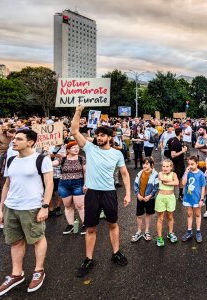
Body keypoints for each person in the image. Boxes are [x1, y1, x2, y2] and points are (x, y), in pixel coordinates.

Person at [0, 129, 54, 297]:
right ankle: (16, 274)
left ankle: (38, 270)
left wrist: (45, 206)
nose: (14, 141)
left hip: (32, 207)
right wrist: (1, 208)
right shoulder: (11, 159)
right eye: (14, 138)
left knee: (37, 238)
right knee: (15, 241)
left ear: (30, 142)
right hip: (11, 207)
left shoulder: (42, 159)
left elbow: (49, 184)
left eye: (18, 139)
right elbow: (7, 185)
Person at [70, 105, 131, 278]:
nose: (98, 137)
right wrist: (78, 111)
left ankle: (116, 252)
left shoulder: (117, 154)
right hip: (92, 193)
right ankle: (89, 259)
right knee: (90, 228)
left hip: (109, 193)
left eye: (102, 135)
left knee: (113, 224)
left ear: (110, 137)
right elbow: (74, 130)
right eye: (97, 135)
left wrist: (127, 193)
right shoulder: (90, 148)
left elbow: (125, 174)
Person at [55, 141, 86, 235]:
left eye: (77, 147)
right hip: (64, 184)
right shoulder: (63, 159)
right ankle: (70, 225)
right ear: (68, 150)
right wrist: (47, 155)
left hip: (78, 183)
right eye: (73, 147)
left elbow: (85, 171)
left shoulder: (81, 159)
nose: (76, 149)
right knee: (68, 206)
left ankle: (85, 224)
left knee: (80, 206)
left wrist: (86, 184)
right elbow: (52, 163)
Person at [132, 157, 159, 242]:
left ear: (152, 165)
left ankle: (146, 231)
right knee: (139, 215)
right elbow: (135, 185)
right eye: (143, 163)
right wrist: (138, 194)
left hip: (149, 199)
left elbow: (156, 187)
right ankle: (139, 231)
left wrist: (150, 196)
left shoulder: (155, 174)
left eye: (147, 164)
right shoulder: (139, 173)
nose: (144, 165)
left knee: (148, 214)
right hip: (140, 198)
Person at [181, 156, 206, 243]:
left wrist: (202, 199)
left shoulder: (201, 174)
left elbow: (203, 187)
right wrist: (186, 173)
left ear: (197, 163)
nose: (190, 166)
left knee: (198, 214)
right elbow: (183, 183)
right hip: (188, 198)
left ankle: (198, 232)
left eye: (192, 164)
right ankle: (189, 231)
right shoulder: (187, 173)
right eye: (189, 164)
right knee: (189, 214)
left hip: (197, 198)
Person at [155, 160, 179, 247]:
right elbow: (161, 178)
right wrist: (170, 181)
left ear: (171, 167)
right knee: (160, 218)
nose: (165, 168)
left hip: (171, 197)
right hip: (161, 197)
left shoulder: (174, 174)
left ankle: (170, 233)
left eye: (167, 166)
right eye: (163, 166)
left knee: (170, 217)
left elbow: (177, 183)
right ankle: (159, 237)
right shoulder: (160, 173)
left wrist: (167, 182)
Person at [169, 128, 188, 201]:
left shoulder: (180, 140)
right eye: (182, 132)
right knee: (174, 178)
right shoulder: (175, 142)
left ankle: (180, 194)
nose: (183, 133)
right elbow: (173, 155)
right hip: (176, 164)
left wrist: (184, 148)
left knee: (181, 178)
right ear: (180, 133)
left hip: (181, 163)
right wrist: (182, 151)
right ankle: (171, 194)